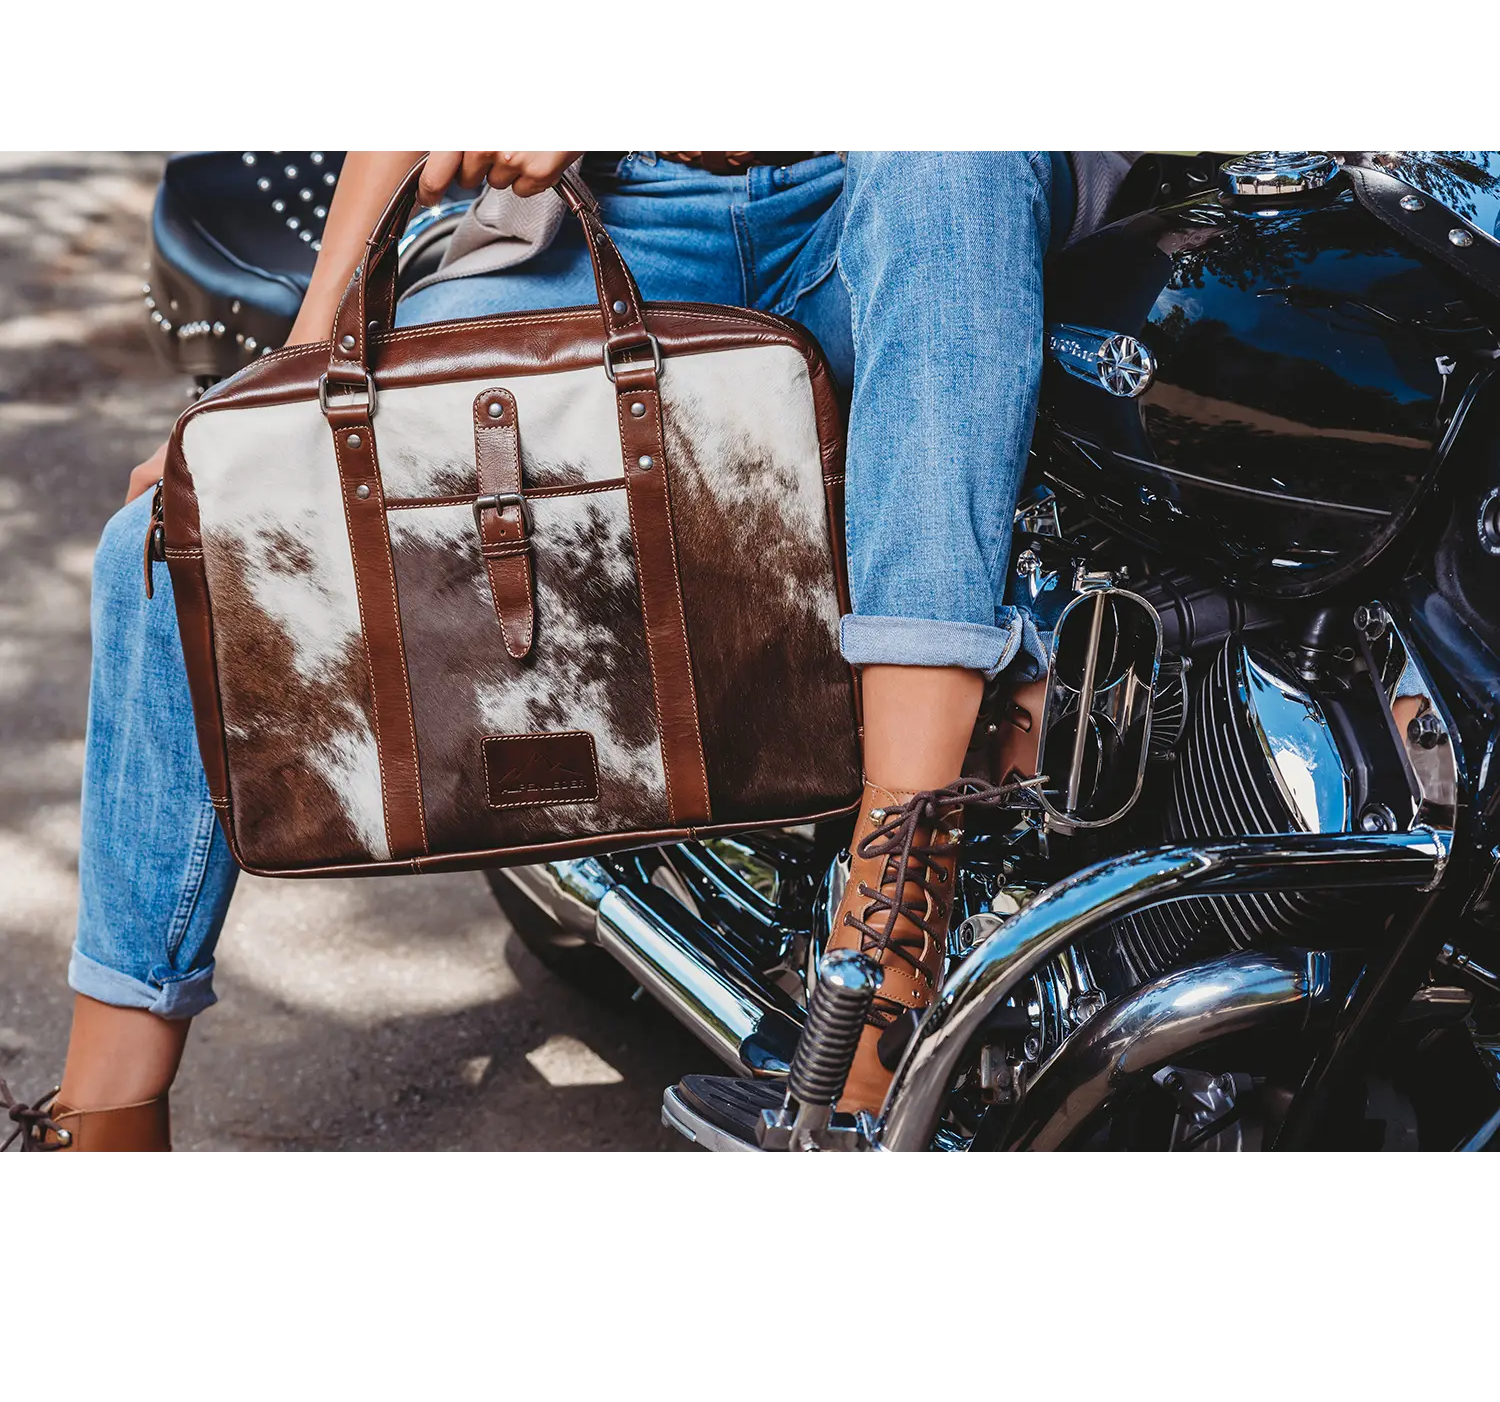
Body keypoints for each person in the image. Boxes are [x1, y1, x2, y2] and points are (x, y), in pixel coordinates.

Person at [3, 148, 1132, 1154]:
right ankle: (104, 1123)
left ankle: (884, 950)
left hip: (896, 197)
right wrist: (283, 385)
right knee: (170, 549)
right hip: (628, 207)